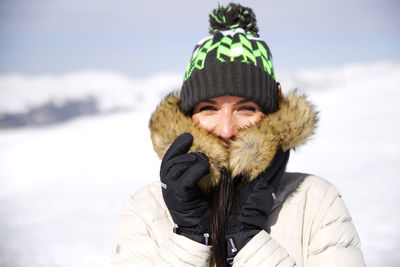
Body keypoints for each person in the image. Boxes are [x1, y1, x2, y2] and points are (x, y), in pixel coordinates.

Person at [110, 3, 365, 267]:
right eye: (208, 108)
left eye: (246, 109)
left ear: (271, 116)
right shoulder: (144, 210)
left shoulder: (315, 200)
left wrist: (248, 242)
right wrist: (190, 240)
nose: (226, 129)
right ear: (187, 117)